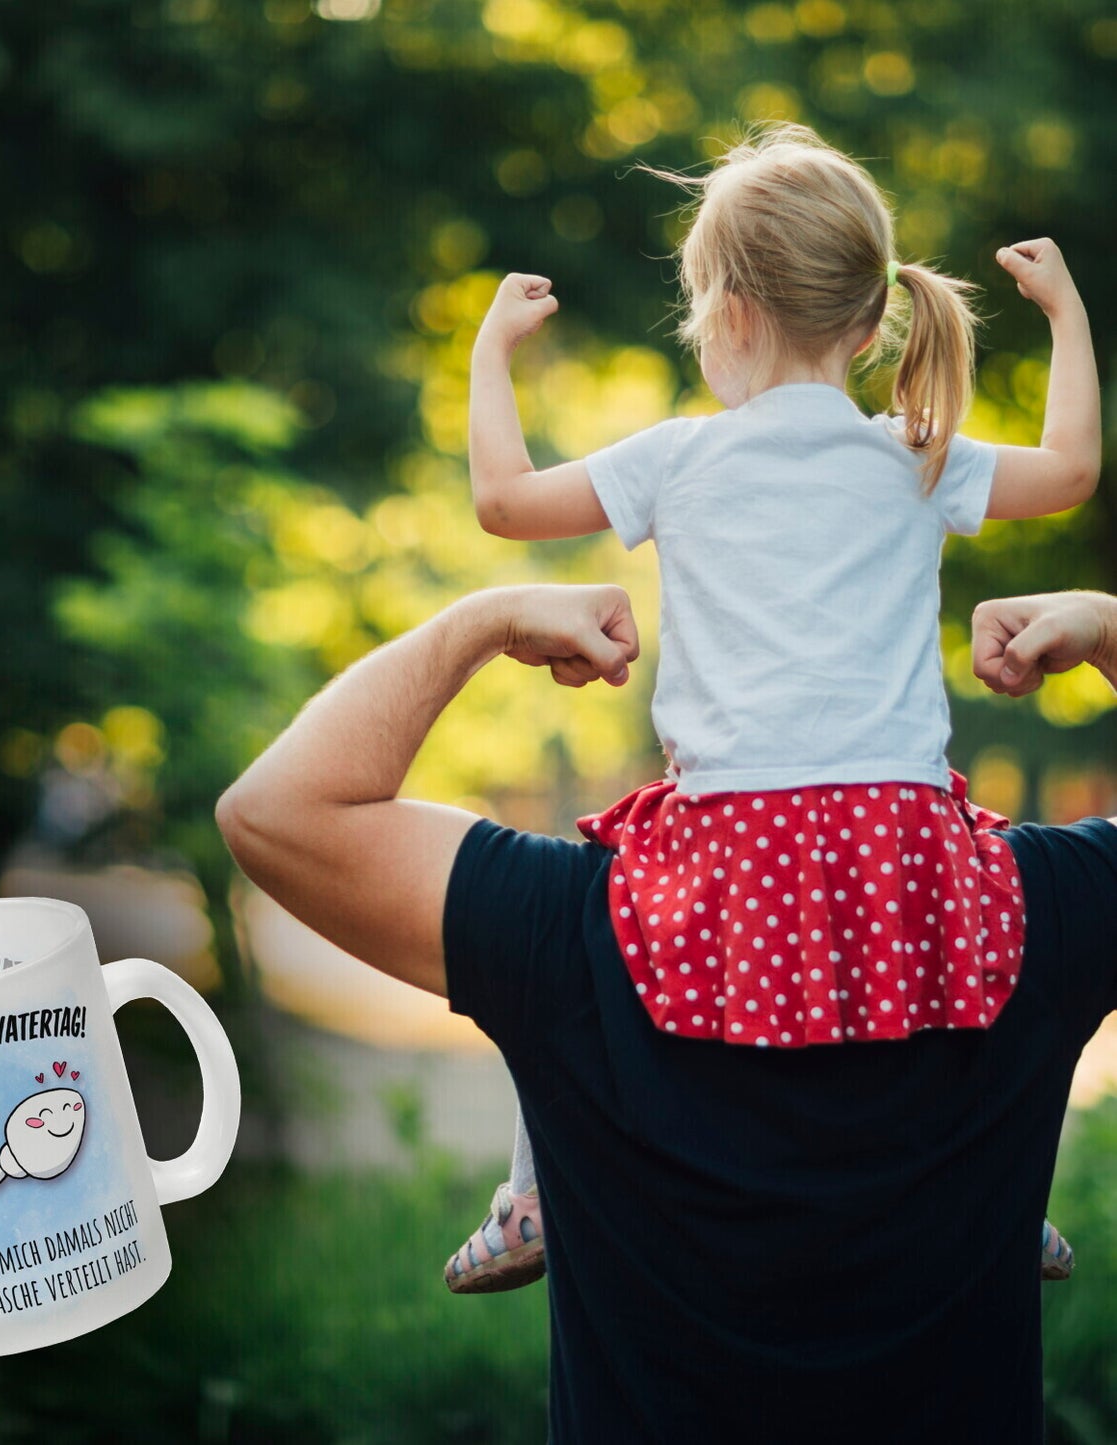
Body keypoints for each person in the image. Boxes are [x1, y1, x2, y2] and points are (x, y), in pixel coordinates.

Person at [217, 583, 1117, 1443]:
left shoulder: (576, 924)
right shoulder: (1026, 911)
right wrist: (1109, 629)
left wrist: (480, 624)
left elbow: (275, 811)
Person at [448, 123, 1098, 1292]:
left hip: (728, 834)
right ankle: (1011, 1196)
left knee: (566, 941)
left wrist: (489, 349)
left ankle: (533, 1196)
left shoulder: (676, 459)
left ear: (726, 316)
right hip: (898, 830)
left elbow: (501, 500)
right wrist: (1064, 317)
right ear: (866, 322)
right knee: (992, 950)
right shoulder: (916, 451)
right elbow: (1069, 468)